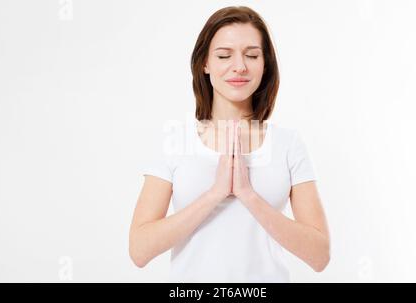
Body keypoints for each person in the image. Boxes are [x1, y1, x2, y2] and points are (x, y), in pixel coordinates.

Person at [129, 6, 330, 283]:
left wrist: (248, 195)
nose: (239, 66)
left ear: (265, 64)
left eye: (252, 55)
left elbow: (319, 255)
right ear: (205, 63)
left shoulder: (287, 144)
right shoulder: (175, 140)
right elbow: (139, 250)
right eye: (224, 55)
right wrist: (215, 194)